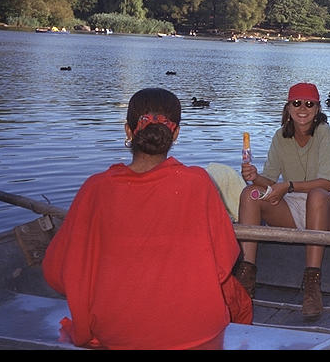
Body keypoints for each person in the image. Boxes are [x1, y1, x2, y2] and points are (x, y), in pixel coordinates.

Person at [42, 88, 252, 350]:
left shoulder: (95, 188)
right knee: (237, 297)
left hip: (116, 333)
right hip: (196, 331)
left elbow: (56, 272)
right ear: (176, 134)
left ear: (128, 131)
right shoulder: (198, 183)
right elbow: (225, 259)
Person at [237, 82, 330, 318]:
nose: (302, 109)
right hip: (293, 203)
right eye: (297, 103)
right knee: (250, 194)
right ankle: (246, 280)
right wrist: (255, 177)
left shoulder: (324, 132)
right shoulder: (280, 136)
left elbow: (327, 184)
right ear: (288, 108)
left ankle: (312, 285)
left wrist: (287, 186)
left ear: (317, 109)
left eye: (309, 104)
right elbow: (270, 182)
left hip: (328, 205)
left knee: (317, 195)